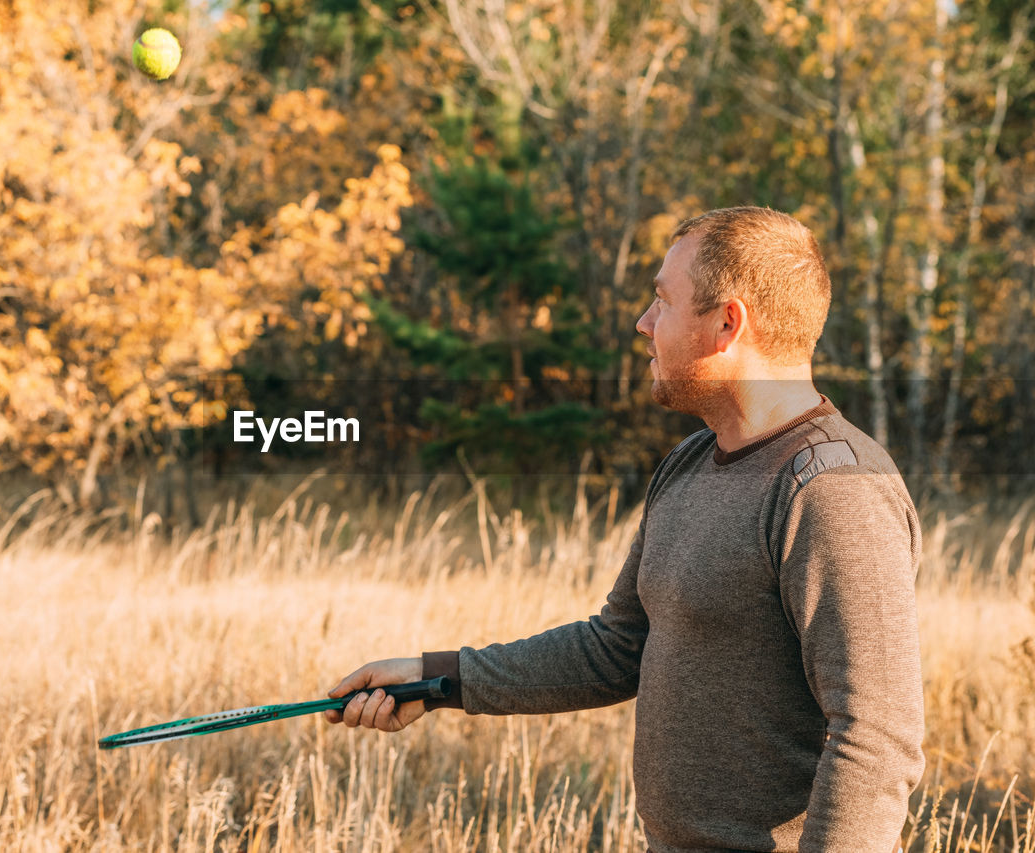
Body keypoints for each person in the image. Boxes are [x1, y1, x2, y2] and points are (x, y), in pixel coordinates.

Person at [323, 207, 925, 852]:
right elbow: (616, 649)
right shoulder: (690, 462)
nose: (643, 322)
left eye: (663, 300)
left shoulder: (832, 488)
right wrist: (436, 678)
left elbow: (876, 736)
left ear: (728, 322)